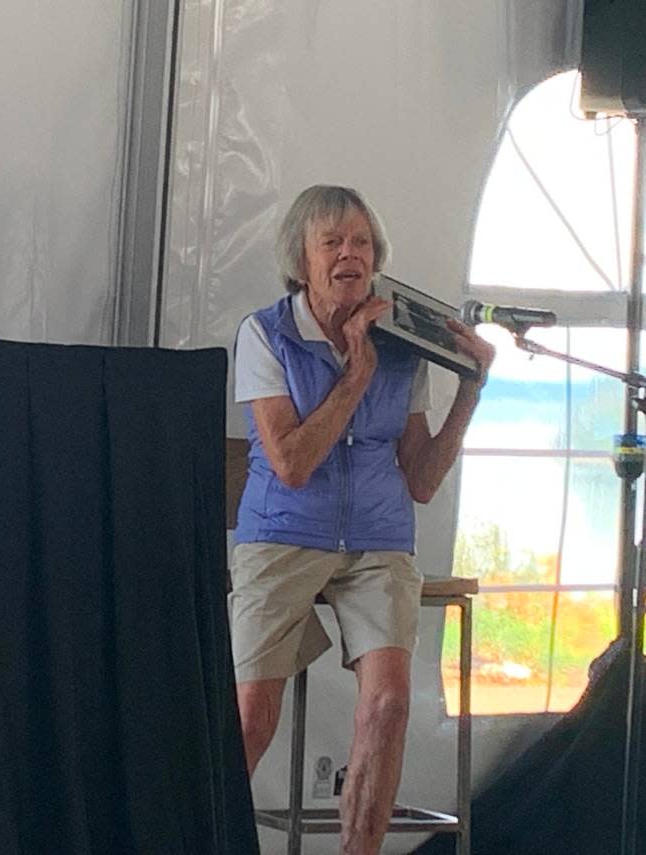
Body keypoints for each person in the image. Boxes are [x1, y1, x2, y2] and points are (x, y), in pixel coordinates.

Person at [230, 185, 494, 855]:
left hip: (377, 538)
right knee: (250, 716)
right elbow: (290, 463)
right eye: (333, 243)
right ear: (302, 259)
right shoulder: (265, 333)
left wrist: (469, 386)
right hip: (283, 530)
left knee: (388, 705)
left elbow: (423, 479)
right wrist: (352, 376)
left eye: (363, 244)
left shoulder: (404, 347)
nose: (351, 255)